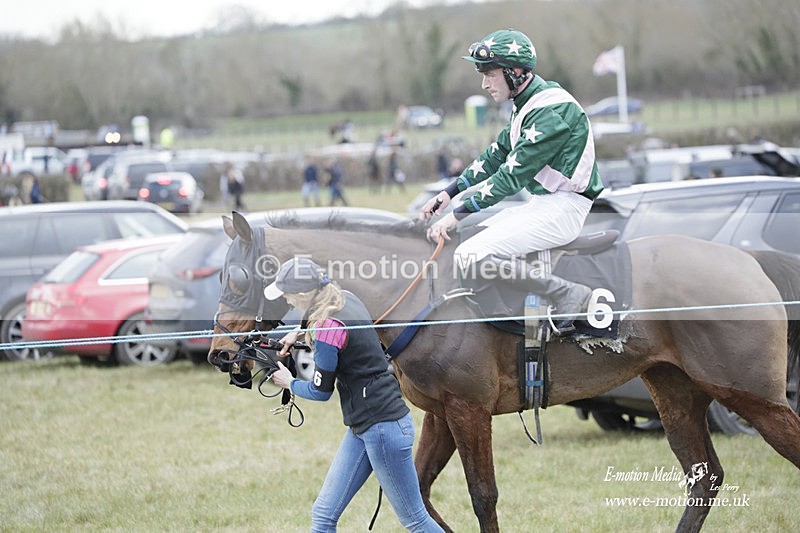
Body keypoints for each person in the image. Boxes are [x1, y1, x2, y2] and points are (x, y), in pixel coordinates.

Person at [419, 28, 605, 334]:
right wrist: (449, 192)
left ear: (516, 72)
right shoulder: (528, 104)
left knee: (468, 255)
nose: (484, 84)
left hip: (564, 209)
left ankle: (567, 293)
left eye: (490, 74)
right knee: (472, 237)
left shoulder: (550, 110)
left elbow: (510, 176)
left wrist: (456, 215)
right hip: (544, 204)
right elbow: (495, 156)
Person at [266, 258, 444, 533]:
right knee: (324, 515)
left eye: (287, 295)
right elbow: (333, 327)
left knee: (415, 520)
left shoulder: (327, 328)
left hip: (382, 428)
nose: (286, 300)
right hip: (367, 425)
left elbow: (320, 391)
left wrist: (289, 382)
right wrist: (298, 333)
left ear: (302, 294)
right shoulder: (345, 298)